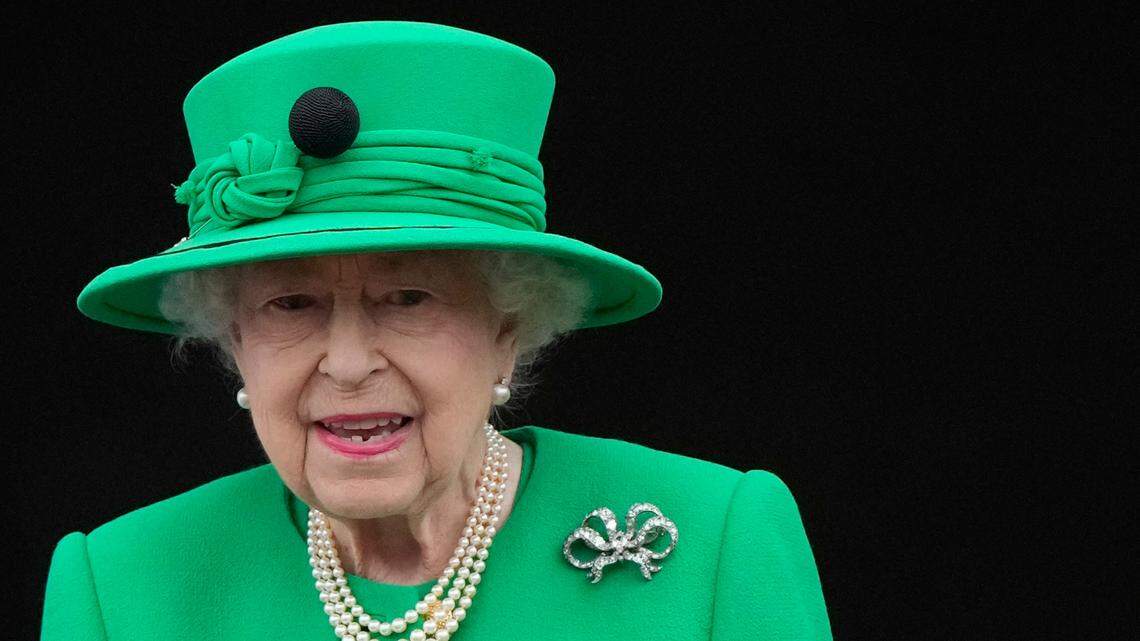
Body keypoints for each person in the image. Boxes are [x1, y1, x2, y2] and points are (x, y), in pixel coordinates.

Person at [40, 20, 832, 640]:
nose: (348, 362)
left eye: (409, 298)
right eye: (291, 304)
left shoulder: (717, 544)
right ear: (234, 341)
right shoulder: (119, 587)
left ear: (509, 328)